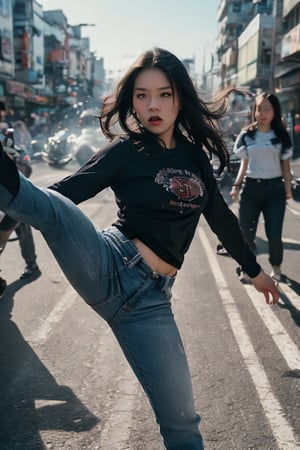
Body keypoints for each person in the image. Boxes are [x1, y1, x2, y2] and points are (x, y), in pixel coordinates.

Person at [0, 48, 278, 449]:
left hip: (151, 304)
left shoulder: (194, 158)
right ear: (132, 100)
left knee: (183, 421)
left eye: (164, 94)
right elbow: (61, 197)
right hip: (108, 264)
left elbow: (221, 219)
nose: (153, 105)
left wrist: (255, 272)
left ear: (179, 97)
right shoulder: (125, 151)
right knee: (55, 211)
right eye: (142, 95)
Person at [230, 91, 293, 282]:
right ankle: (248, 268)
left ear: (275, 111)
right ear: (254, 110)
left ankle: (277, 267)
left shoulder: (281, 136)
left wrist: (288, 191)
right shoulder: (246, 135)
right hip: (251, 190)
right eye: (259, 108)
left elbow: (285, 166)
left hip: (275, 191)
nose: (262, 113)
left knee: (274, 235)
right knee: (246, 232)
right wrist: (236, 186)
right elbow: (244, 164)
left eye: (267, 109)